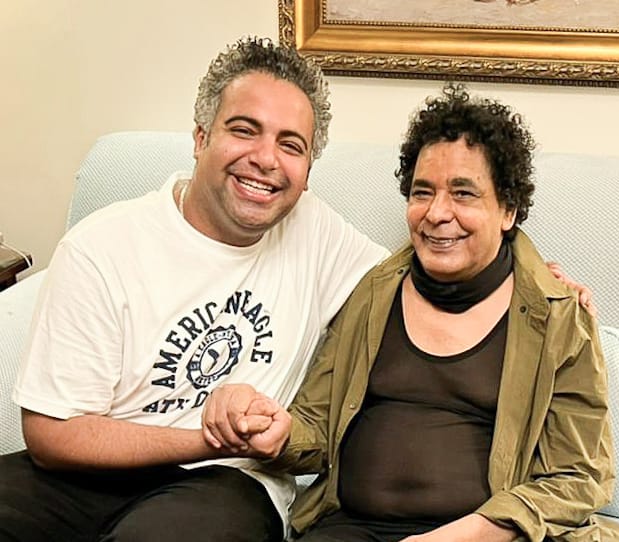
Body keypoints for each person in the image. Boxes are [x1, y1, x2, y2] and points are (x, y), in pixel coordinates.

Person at [204, 84, 619, 541]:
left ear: (508, 210)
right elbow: (317, 426)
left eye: (463, 194)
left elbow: (578, 477)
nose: (437, 213)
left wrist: (461, 536)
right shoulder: (373, 292)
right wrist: (279, 433)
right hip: (349, 528)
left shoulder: (555, 316)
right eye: (423, 192)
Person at [0, 37, 389, 542]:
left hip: (227, 484)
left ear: (308, 172)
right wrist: (209, 438)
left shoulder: (314, 231)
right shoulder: (102, 246)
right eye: (244, 130)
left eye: (291, 145)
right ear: (201, 138)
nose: (266, 159)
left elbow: (415, 280)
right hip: (90, 473)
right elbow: (52, 434)